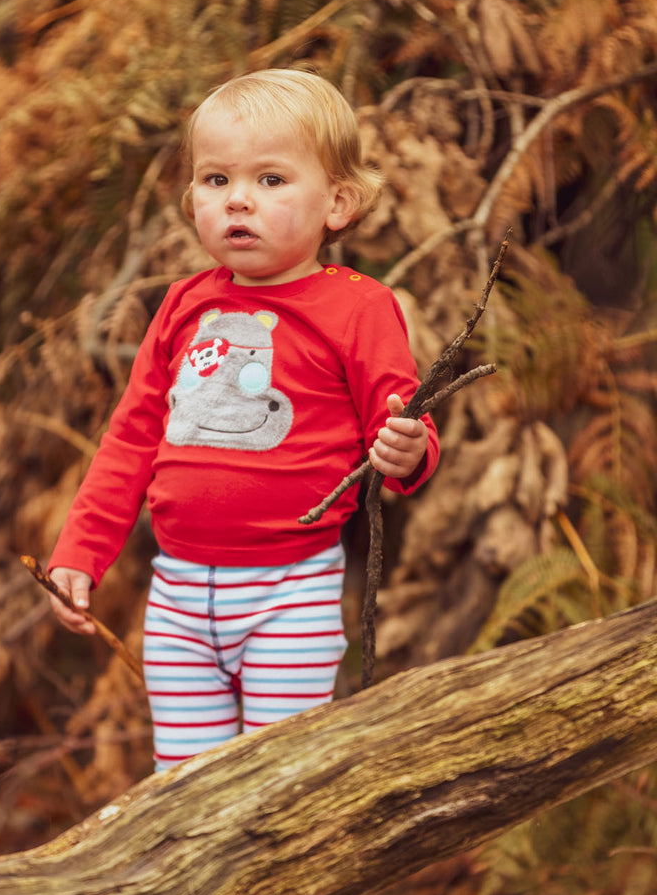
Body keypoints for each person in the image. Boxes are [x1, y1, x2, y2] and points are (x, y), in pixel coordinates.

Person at [48, 68, 440, 772]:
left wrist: (409, 450)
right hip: (177, 596)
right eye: (216, 180)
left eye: (269, 181)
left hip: (290, 592)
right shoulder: (181, 306)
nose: (238, 201)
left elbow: (401, 418)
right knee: (187, 780)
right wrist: (81, 553)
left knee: (275, 777)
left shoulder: (358, 308)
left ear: (338, 203)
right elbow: (132, 438)